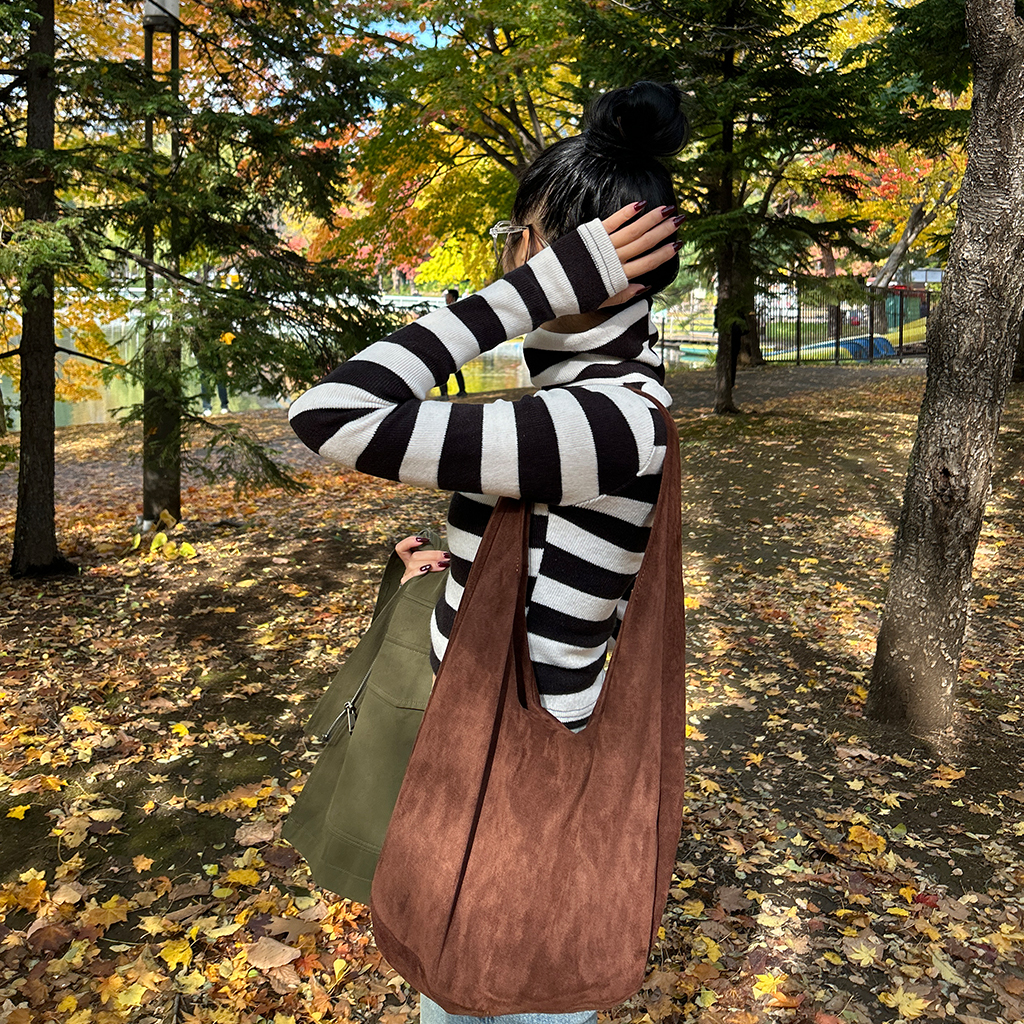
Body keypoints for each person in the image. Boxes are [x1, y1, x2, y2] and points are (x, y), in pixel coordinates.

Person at [289, 80, 688, 1024]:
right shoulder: (582, 401)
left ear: (593, 268)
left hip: (522, 786)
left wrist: (523, 297)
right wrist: (457, 564)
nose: (505, 261)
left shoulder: (608, 417)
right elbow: (545, 556)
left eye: (523, 242)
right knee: (458, 987)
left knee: (493, 994)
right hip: (482, 751)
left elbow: (328, 414)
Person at [437, 288, 468, 398]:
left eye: (448, 296)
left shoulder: (452, 310)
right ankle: (461, 390)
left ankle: (444, 393)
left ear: (453, 298)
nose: (446, 298)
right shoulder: (456, 310)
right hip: (453, 343)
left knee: (442, 368)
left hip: (449, 343)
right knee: (455, 368)